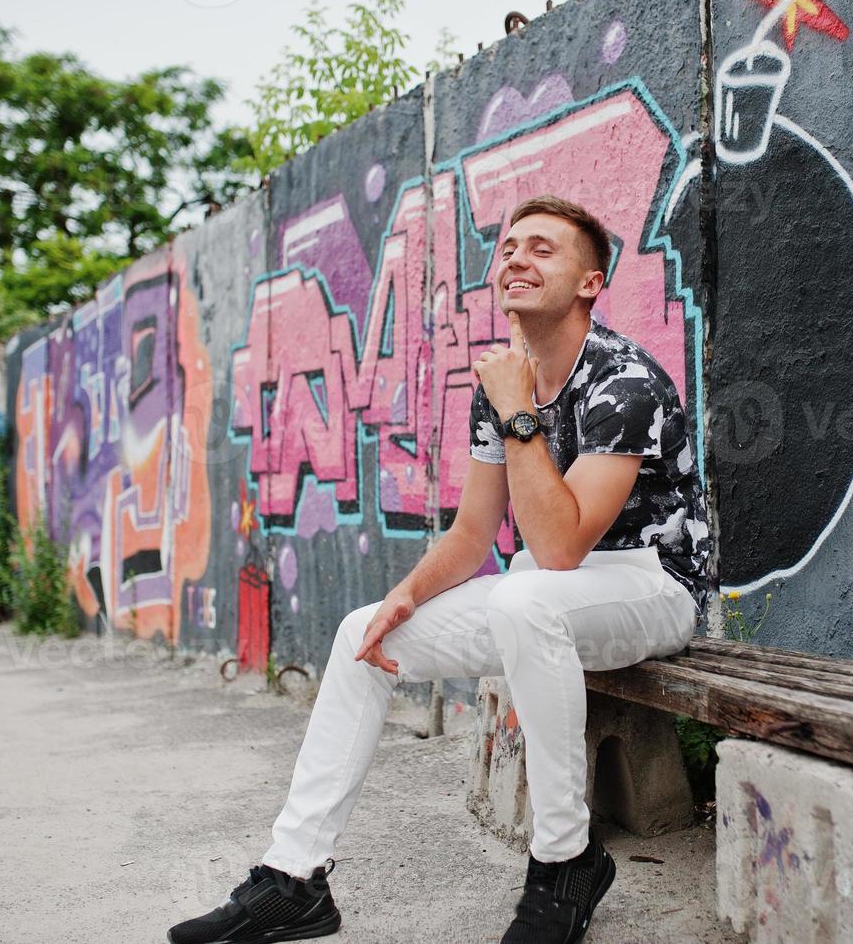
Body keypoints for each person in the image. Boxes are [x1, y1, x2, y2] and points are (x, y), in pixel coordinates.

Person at [167, 195, 710, 944]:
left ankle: (565, 860)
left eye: (542, 249)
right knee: (364, 633)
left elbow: (558, 550)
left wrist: (519, 412)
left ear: (589, 282)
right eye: (510, 247)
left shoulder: (623, 381)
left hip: (652, 585)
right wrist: (403, 599)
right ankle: (294, 878)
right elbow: (472, 532)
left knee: (526, 597)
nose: (516, 258)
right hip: (549, 593)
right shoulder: (503, 385)